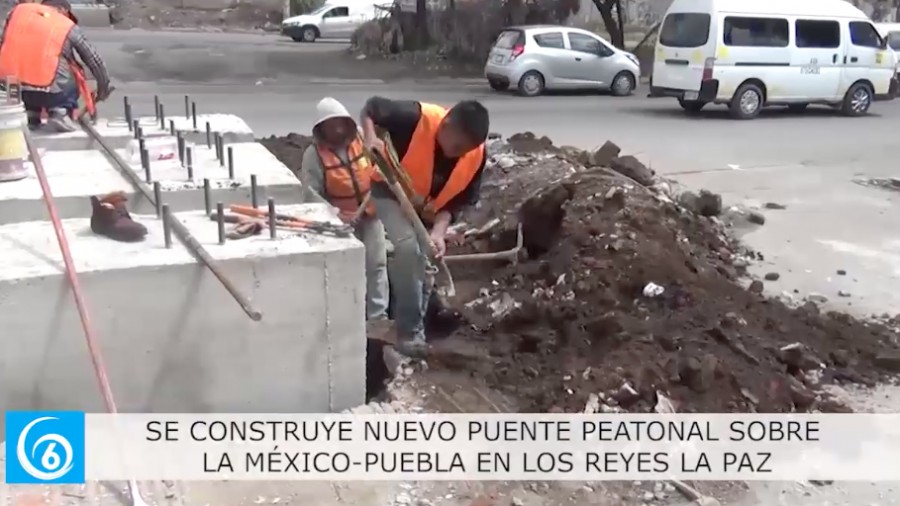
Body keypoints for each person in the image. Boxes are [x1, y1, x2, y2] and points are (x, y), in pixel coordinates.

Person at [359, 97, 489, 357]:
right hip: (389, 191)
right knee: (408, 249)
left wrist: (438, 233)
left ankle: (421, 325)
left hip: (425, 208)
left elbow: (456, 202)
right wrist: (371, 138)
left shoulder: (476, 155)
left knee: (426, 259)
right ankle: (408, 333)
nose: (460, 154)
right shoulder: (414, 117)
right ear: (446, 125)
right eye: (457, 146)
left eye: (467, 150)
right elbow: (370, 108)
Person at [301, 97, 389, 321]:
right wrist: (336, 215)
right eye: (331, 126)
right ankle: (350, 317)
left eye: (340, 123)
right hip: (340, 226)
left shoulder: (362, 139)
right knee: (347, 270)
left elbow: (381, 166)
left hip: (371, 215)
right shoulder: (314, 155)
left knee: (377, 265)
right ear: (321, 129)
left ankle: (378, 317)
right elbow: (311, 193)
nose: (338, 130)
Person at [0, 0, 112, 132]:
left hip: (13, 91)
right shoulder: (67, 25)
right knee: (74, 70)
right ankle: (60, 111)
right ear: (63, 10)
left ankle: (30, 113)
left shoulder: (18, 12)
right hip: (52, 93)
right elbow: (93, 59)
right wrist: (103, 87)